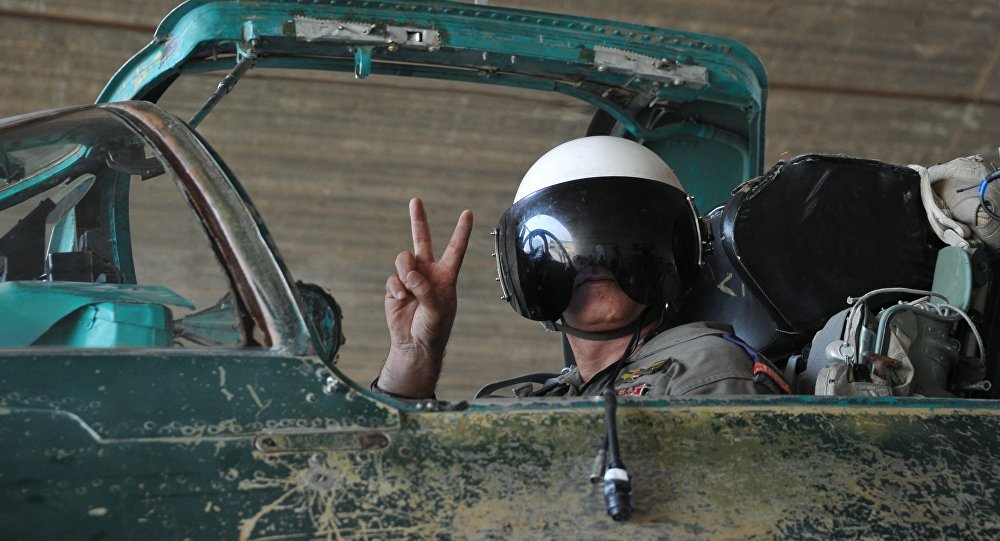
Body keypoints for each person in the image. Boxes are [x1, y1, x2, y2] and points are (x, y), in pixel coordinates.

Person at [374, 136, 786, 399]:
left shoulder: (708, 373)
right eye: (569, 250)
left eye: (613, 244)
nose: (590, 265)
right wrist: (416, 355)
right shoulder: (546, 401)